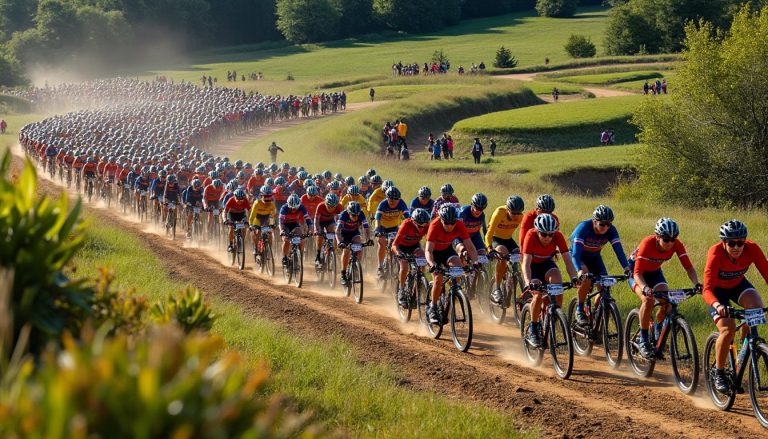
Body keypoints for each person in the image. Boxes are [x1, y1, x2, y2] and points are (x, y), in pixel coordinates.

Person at [704, 220, 768, 392]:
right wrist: (717, 306)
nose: (736, 247)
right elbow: (707, 289)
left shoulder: (752, 248)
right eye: (731, 243)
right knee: (727, 329)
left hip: (738, 285)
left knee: (756, 307)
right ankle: (719, 372)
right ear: (724, 242)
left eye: (740, 242)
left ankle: (744, 350)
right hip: (717, 293)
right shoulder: (715, 253)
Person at [628, 218, 701, 359]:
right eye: (666, 240)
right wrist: (645, 288)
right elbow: (637, 273)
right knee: (648, 300)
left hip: (654, 273)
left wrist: (697, 284)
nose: (670, 243)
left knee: (666, 302)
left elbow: (689, 267)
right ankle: (643, 340)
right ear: (657, 236)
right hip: (635, 273)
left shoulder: (676, 245)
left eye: (673, 239)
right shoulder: (647, 244)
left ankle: (657, 335)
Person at [521, 214, 579, 347]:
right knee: (538, 295)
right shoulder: (530, 235)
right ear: (537, 231)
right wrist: (528, 282)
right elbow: (526, 263)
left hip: (547, 264)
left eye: (551, 234)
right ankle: (534, 328)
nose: (547, 237)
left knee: (557, 283)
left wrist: (574, 278)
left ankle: (552, 317)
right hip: (533, 267)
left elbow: (568, 260)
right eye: (543, 234)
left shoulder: (558, 236)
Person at [570, 205, 630, 326]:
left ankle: (596, 315)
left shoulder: (611, 230)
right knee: (586, 278)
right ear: (594, 221)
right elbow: (576, 254)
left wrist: (627, 268)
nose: (606, 227)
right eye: (602, 224)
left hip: (595, 258)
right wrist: (579, 270)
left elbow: (619, 251)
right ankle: (579, 309)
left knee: (604, 286)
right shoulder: (583, 228)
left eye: (609, 224)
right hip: (579, 258)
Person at [424, 204, 479, 324]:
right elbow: (428, 250)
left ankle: (452, 294)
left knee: (458, 270)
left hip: (447, 250)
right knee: (438, 279)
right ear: (441, 219)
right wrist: (432, 265)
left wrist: (475, 263)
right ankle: (433, 307)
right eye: (447, 223)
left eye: (452, 223)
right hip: (434, 253)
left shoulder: (459, 224)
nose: (450, 226)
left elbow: (470, 247)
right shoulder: (435, 225)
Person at [485, 195, 525, 304]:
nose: (516, 216)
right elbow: (489, 234)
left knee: (521, 256)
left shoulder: (521, 217)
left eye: (518, 213)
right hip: (495, 238)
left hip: (508, 239)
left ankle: (520, 286)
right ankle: (497, 288)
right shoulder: (499, 213)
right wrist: (489, 248)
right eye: (513, 213)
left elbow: (526, 235)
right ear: (508, 209)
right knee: (503, 255)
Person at [392, 208, 431, 306]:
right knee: (404, 265)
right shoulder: (406, 224)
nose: (422, 228)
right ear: (413, 221)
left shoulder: (426, 225)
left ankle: (416, 289)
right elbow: (394, 245)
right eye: (419, 225)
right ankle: (401, 290)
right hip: (401, 247)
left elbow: (431, 241)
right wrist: (398, 253)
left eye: (424, 225)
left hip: (414, 246)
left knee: (422, 263)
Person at [374, 186, 410, 278]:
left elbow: (408, 218)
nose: (393, 202)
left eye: (395, 200)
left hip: (394, 227)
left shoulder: (401, 203)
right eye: (391, 200)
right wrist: (378, 230)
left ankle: (393, 262)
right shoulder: (383, 204)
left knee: (395, 244)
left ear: (399, 199)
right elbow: (377, 219)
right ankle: (380, 266)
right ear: (387, 198)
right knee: (382, 243)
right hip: (382, 227)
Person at [337, 201, 373, 286]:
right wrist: (339, 242)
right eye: (353, 215)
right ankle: (343, 274)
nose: (356, 217)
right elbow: (337, 231)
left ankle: (356, 268)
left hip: (354, 233)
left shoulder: (361, 214)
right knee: (346, 251)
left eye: (357, 215)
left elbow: (366, 228)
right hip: (344, 234)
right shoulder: (343, 215)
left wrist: (368, 239)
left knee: (359, 248)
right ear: (349, 212)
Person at [278, 194, 312, 266]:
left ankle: (300, 256)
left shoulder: (302, 207)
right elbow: (280, 221)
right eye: (292, 208)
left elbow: (308, 219)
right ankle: (285, 257)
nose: (294, 210)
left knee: (302, 238)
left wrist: (310, 230)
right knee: (286, 240)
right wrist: (281, 231)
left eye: (296, 208)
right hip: (285, 224)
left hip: (294, 223)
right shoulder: (284, 208)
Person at [249, 186, 276, 251]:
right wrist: (251, 225)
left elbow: (272, 216)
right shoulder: (257, 203)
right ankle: (256, 248)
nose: (267, 199)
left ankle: (269, 249)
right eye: (265, 197)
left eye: (269, 197)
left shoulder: (272, 205)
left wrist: (272, 224)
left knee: (269, 233)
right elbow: (252, 215)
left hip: (266, 218)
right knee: (258, 232)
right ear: (261, 196)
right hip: (257, 218)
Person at [224, 188, 251, 252]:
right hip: (232, 214)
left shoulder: (245, 200)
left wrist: (249, 220)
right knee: (231, 228)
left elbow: (250, 211)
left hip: (242, 214)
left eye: (241, 199)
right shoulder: (231, 200)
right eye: (238, 199)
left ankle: (242, 241)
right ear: (234, 197)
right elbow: (225, 211)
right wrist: (225, 219)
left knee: (245, 226)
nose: (240, 201)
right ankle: (230, 245)